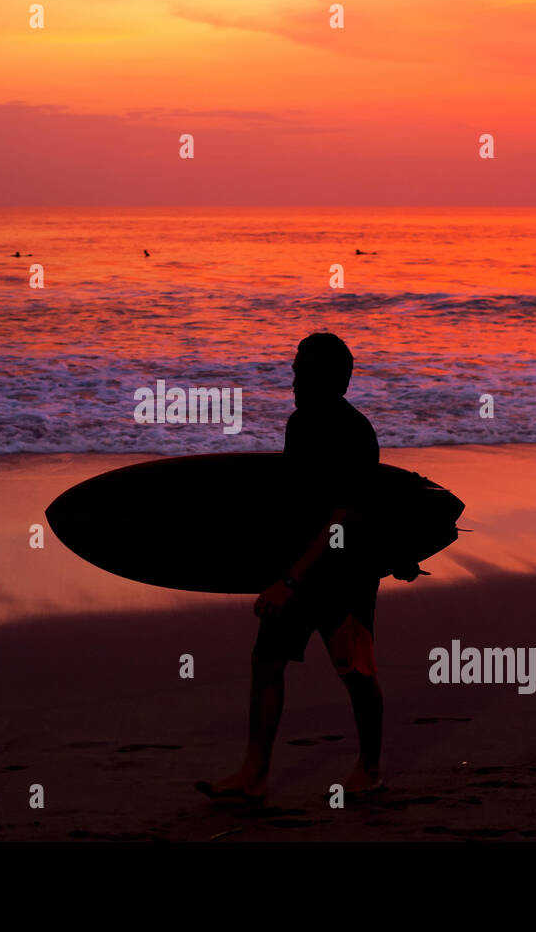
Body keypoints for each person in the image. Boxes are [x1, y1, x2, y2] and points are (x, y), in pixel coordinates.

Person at [198, 333, 383, 802]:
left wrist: (290, 579)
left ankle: (369, 769)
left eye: (302, 370)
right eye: (295, 367)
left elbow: (344, 516)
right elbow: (295, 502)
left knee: (354, 669)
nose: (293, 378)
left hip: (345, 571)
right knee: (267, 661)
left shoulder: (354, 432)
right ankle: (254, 773)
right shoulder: (300, 424)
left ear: (328, 378)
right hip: (300, 563)